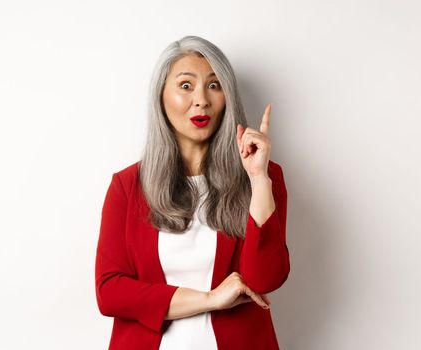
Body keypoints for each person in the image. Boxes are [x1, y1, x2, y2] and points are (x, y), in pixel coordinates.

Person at [94, 35, 289, 350]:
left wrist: (257, 179)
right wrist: (210, 300)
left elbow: (265, 279)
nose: (202, 99)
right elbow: (110, 292)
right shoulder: (127, 186)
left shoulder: (264, 176)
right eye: (186, 86)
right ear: (161, 96)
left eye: (214, 85)